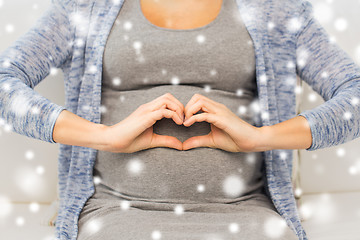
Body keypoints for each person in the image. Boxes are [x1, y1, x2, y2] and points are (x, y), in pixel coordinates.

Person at [0, 0, 359, 239]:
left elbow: (354, 97)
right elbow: (5, 85)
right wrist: (105, 136)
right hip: (117, 213)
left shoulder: (277, 10)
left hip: (245, 213)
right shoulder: (83, 8)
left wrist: (260, 137)